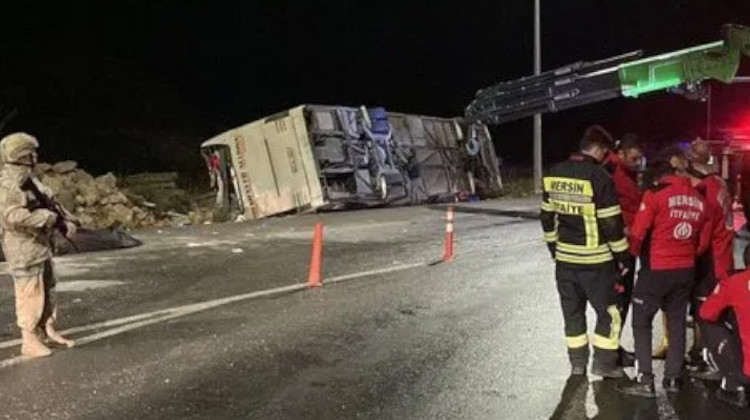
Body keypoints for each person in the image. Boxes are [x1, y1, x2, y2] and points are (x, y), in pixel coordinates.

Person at [616, 153, 712, 398]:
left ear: (659, 177)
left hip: (656, 270)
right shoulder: (699, 200)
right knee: (677, 322)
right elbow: (701, 242)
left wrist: (631, 258)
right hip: (685, 270)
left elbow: (638, 234)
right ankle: (672, 378)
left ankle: (645, 379)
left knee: (641, 322)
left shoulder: (656, 195)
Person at [540, 125, 631, 378]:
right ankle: (604, 364)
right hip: (597, 262)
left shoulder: (554, 173)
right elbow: (611, 223)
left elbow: (546, 217)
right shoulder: (599, 178)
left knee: (572, 314)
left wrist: (553, 248)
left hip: (565, 262)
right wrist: (622, 256)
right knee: (610, 313)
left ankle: (577, 364)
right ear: (600, 149)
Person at [0, 132, 76, 358]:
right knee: (29, 292)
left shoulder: (28, 179)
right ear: (23, 155)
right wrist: (46, 218)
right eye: (31, 153)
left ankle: (46, 329)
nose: (35, 156)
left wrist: (65, 219)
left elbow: (49, 201)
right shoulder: (8, 184)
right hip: (23, 247)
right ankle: (29, 339)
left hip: (40, 245)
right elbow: (12, 217)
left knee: (47, 286)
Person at [602, 133, 644, 366]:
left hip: (629, 247)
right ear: (620, 154)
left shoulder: (628, 173)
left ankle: (613, 347)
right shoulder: (611, 173)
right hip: (618, 249)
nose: (637, 163)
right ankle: (609, 351)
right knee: (616, 301)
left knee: (623, 300)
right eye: (633, 158)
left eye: (639, 159)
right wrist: (624, 229)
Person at [697, 244, 750, 408]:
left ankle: (734, 384)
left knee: (708, 323)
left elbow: (706, 313)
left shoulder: (736, 282)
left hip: (747, 372)